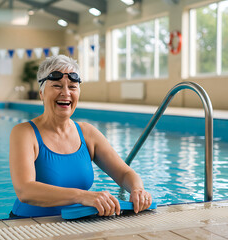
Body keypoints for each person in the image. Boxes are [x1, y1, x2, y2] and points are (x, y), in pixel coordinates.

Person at [9, 55, 152, 218]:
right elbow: (25, 190)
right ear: (41, 93)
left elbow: (124, 173)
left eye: (72, 86)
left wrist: (137, 189)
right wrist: (82, 196)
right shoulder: (25, 133)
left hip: (77, 223)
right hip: (28, 224)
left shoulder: (87, 133)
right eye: (57, 86)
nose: (65, 93)